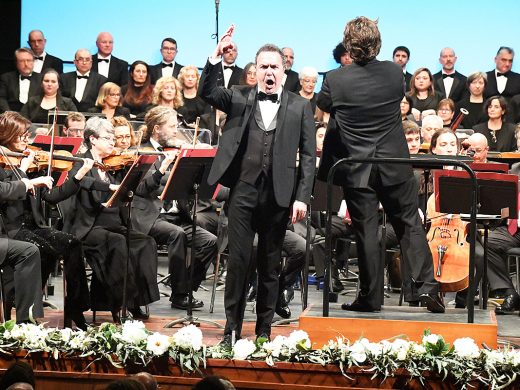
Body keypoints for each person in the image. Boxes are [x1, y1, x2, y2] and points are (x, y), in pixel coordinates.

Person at [317, 16, 443, 313]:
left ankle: (370, 297)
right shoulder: (392, 72)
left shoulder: (335, 80)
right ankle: (429, 288)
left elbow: (325, 106)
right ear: (378, 43)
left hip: (358, 168)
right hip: (395, 164)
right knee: (410, 223)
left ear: (348, 45)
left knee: (366, 233)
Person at [199, 31, 315, 343]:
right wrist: (216, 55)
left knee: (270, 265)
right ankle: (231, 329)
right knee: (237, 263)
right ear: (256, 70)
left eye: (274, 67)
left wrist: (302, 197)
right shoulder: (238, 95)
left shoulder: (300, 107)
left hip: (279, 195)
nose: (268, 72)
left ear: (284, 71)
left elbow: (307, 156)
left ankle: (264, 330)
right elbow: (207, 90)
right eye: (263, 67)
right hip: (243, 192)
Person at [0, 111, 93, 329]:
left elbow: (52, 196)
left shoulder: (26, 159)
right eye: (21, 136)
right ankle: (22, 311)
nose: (26, 141)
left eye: (27, 136)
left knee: (71, 243)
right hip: (10, 229)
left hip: (33, 226)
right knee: (40, 250)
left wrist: (78, 176)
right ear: (7, 135)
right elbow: (6, 193)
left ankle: (76, 309)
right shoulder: (6, 163)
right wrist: (23, 172)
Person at [64, 116, 160, 321]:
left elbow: (138, 190)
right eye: (108, 138)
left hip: (115, 223)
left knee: (146, 242)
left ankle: (135, 301)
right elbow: (89, 188)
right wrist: (108, 185)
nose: (113, 142)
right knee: (117, 244)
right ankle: (118, 305)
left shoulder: (114, 164)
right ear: (92, 139)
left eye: (112, 138)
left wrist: (153, 170)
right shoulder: (80, 163)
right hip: (89, 227)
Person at [132, 106, 217, 310]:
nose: (175, 131)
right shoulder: (142, 152)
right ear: (157, 129)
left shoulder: (176, 150)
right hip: (151, 216)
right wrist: (164, 171)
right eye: (171, 127)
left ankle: (186, 286)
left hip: (177, 215)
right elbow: (143, 189)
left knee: (210, 242)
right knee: (176, 234)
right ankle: (179, 296)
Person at [0, 48, 42, 113]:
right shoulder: (6, 78)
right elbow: (1, 98)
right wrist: (9, 114)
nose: (26, 64)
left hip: (35, 118)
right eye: (22, 61)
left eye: (29, 60)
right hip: (11, 117)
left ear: (33, 62)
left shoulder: (42, 78)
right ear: (16, 63)